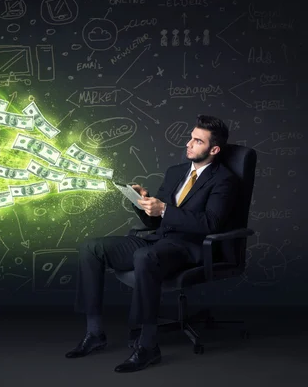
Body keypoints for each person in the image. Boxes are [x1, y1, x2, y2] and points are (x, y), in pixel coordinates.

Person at [66, 115, 238, 372]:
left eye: (197, 141)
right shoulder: (176, 172)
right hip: (159, 239)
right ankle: (94, 333)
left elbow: (210, 224)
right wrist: (143, 203)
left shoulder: (224, 180)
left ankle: (147, 346)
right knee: (91, 248)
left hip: (188, 247)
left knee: (144, 258)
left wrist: (165, 210)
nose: (189, 143)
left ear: (214, 150)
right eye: (190, 137)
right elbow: (154, 224)